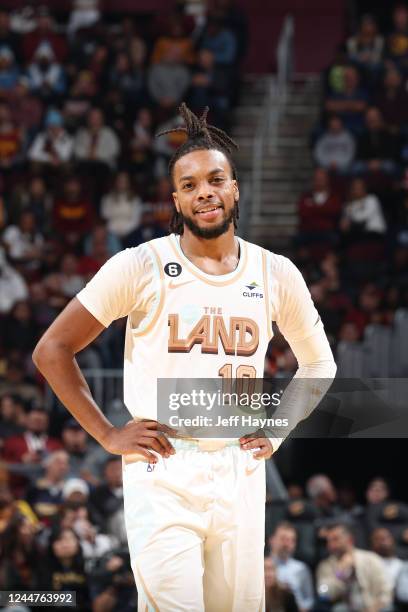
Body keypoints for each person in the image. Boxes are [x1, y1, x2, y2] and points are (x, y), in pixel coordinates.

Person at [33, 103, 336, 611]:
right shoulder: (141, 265)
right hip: (163, 465)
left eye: (215, 180)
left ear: (235, 187)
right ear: (176, 200)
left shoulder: (275, 272)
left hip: (239, 466)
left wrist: (279, 428)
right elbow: (52, 349)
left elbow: (320, 364)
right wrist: (108, 433)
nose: (205, 193)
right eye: (190, 185)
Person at [316, 522, 392, 611]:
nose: (331, 545)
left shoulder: (371, 558)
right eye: (328, 541)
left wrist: (374, 608)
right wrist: (340, 573)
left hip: (374, 606)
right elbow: (324, 594)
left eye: (335, 539)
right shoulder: (325, 565)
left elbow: (386, 589)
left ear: (350, 540)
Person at [268, 522, 314, 611]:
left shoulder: (302, 568)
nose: (286, 544)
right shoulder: (263, 566)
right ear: (271, 540)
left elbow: (309, 599)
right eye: (283, 539)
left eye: (291, 540)